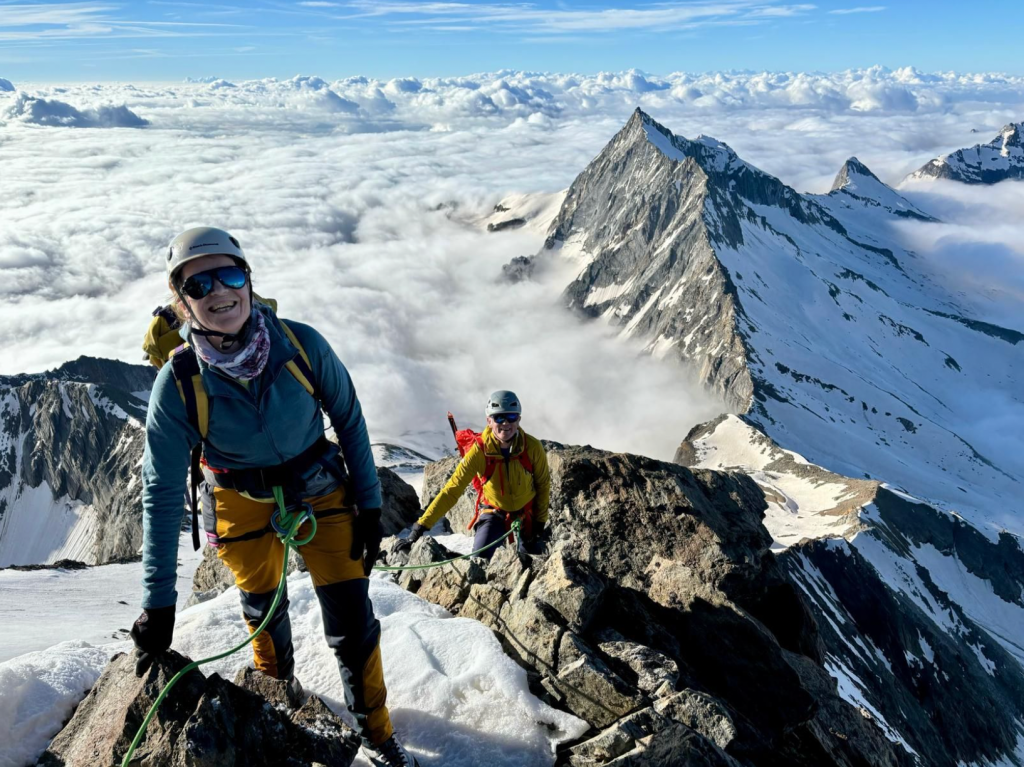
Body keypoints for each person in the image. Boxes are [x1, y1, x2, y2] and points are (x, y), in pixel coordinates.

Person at [130, 227, 418, 767]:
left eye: (231, 274)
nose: (220, 291)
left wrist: (371, 504)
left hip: (321, 491)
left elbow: (349, 419)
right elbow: (162, 492)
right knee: (262, 607)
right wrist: (158, 602)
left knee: (353, 621)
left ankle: (377, 736)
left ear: (249, 278)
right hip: (239, 501)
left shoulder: (300, 344)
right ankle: (277, 695)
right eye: (199, 283)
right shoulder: (179, 383)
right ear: (182, 300)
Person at [401, 390, 550, 559]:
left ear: (519, 419)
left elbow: (543, 484)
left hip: (527, 515)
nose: (505, 423)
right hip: (494, 513)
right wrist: (420, 527)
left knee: (533, 562)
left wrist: (540, 522)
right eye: (499, 417)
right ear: (489, 421)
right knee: (479, 560)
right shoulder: (480, 451)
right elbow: (452, 490)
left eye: (511, 417)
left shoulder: (532, 447)